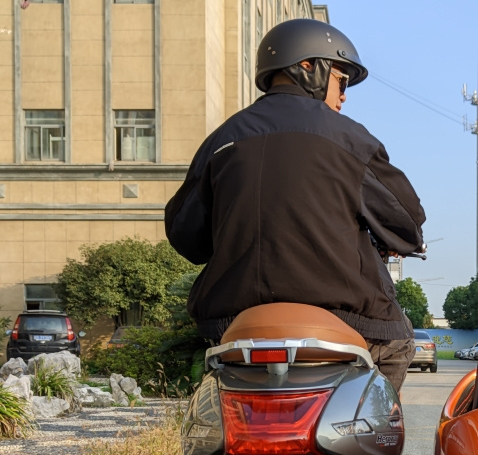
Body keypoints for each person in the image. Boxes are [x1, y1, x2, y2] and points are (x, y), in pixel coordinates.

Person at [164, 19, 425, 392]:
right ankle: (369, 441)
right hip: (351, 319)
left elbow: (186, 238)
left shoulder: (220, 141)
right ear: (309, 66)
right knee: (399, 343)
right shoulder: (351, 139)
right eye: (342, 80)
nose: (344, 95)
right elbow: (406, 222)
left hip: (233, 322)